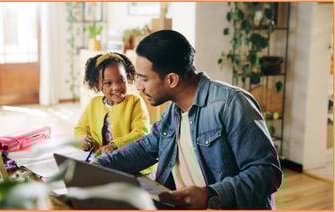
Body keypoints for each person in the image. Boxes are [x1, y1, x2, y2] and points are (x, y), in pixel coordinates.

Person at [93, 30, 283, 209]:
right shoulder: (173, 110)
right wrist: (98, 166)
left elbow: (267, 173)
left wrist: (210, 195)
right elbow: (145, 148)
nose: (139, 87)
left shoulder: (231, 104)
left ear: (172, 80)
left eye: (144, 79)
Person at [74, 52, 154, 175]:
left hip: (134, 166)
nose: (116, 87)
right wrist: (82, 139)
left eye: (121, 80)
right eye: (108, 83)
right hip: (103, 165)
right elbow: (80, 128)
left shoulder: (135, 102)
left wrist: (115, 145)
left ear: (127, 78)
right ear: (97, 84)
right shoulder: (94, 104)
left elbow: (141, 133)